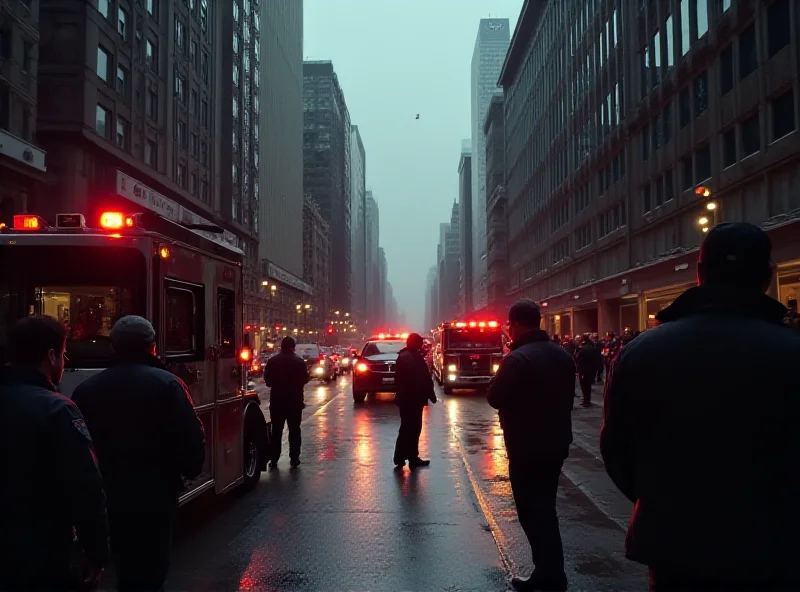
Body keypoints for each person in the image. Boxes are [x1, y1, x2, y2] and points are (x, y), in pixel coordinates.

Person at [601, 223, 800, 591]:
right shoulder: (791, 351)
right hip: (778, 549)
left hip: (675, 548)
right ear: (769, 277)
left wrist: (664, 499)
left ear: (699, 273)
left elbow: (617, 451)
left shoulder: (641, 353)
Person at [72, 315, 205, 592]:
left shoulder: (86, 390)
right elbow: (192, 439)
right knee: (151, 572)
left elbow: (80, 450)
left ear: (114, 347)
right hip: (155, 497)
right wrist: (187, 472)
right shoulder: (168, 384)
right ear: (152, 346)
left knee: (124, 566)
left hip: (109, 497)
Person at [0, 316, 109, 590]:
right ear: (51, 356)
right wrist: (96, 553)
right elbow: (86, 489)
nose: (65, 360)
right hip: (40, 550)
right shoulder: (58, 410)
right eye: (63, 353)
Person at [487, 300, 575, 592]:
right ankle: (551, 572)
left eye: (509, 325)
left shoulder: (517, 359)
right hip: (556, 444)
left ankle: (549, 575)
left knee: (532, 512)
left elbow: (495, 397)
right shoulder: (562, 355)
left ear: (515, 325)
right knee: (546, 509)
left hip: (526, 447)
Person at [263, 336, 309, 468]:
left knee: (276, 431)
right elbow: (305, 380)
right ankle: (294, 457)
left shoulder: (273, 361)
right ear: (293, 347)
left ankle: (274, 458)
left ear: (281, 346)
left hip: (277, 402)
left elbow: (268, 381)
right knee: (294, 430)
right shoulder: (300, 362)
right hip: (295, 402)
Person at [393, 332, 437, 469]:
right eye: (419, 342)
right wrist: (430, 394)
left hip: (407, 399)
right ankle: (405, 457)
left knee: (408, 428)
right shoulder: (412, 358)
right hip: (411, 400)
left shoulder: (406, 356)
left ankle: (407, 457)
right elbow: (421, 379)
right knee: (411, 428)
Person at [576, 335, 602, 407]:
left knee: (584, 385)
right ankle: (587, 399)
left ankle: (586, 400)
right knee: (588, 385)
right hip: (591, 369)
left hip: (583, 370)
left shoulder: (582, 348)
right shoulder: (593, 348)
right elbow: (597, 359)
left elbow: (577, 358)